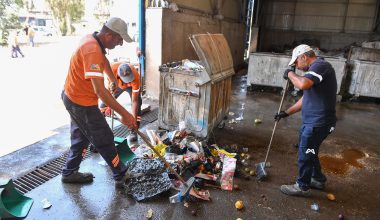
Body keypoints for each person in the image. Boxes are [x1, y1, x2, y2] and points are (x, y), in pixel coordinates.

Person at [61, 17, 137, 188]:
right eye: (119, 39)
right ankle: (121, 174)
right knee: (104, 137)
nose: (120, 44)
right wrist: (125, 114)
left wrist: (112, 79)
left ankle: (69, 172)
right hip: (80, 103)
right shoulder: (91, 49)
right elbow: (100, 91)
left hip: (72, 97)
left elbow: (104, 61)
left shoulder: (94, 40)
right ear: (109, 35)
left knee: (81, 138)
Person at [275, 44, 337, 196]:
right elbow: (306, 99)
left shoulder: (320, 65)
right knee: (310, 150)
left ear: (304, 57)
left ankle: (302, 186)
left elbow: (302, 84)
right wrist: (286, 113)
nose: (296, 66)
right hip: (313, 122)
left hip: (318, 123)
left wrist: (290, 74)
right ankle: (318, 179)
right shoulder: (314, 71)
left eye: (296, 62)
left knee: (305, 152)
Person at [100, 62, 142, 142]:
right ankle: (101, 133)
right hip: (116, 85)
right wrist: (109, 106)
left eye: (130, 79)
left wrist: (132, 120)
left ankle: (133, 129)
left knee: (138, 103)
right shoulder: (112, 70)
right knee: (103, 107)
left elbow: (135, 100)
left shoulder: (135, 77)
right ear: (119, 76)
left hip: (131, 87)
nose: (129, 82)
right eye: (127, 80)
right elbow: (108, 93)